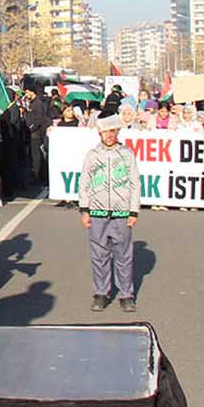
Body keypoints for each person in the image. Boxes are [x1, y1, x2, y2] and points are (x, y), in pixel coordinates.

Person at [79, 112, 140, 312]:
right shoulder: (92, 156)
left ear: (118, 131)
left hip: (121, 213)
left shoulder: (127, 154)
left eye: (112, 131)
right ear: (99, 132)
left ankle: (126, 294)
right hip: (97, 213)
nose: (109, 135)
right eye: (105, 131)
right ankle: (101, 293)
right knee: (99, 255)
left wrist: (133, 211)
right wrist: (84, 209)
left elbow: (134, 183)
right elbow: (84, 183)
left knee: (123, 255)